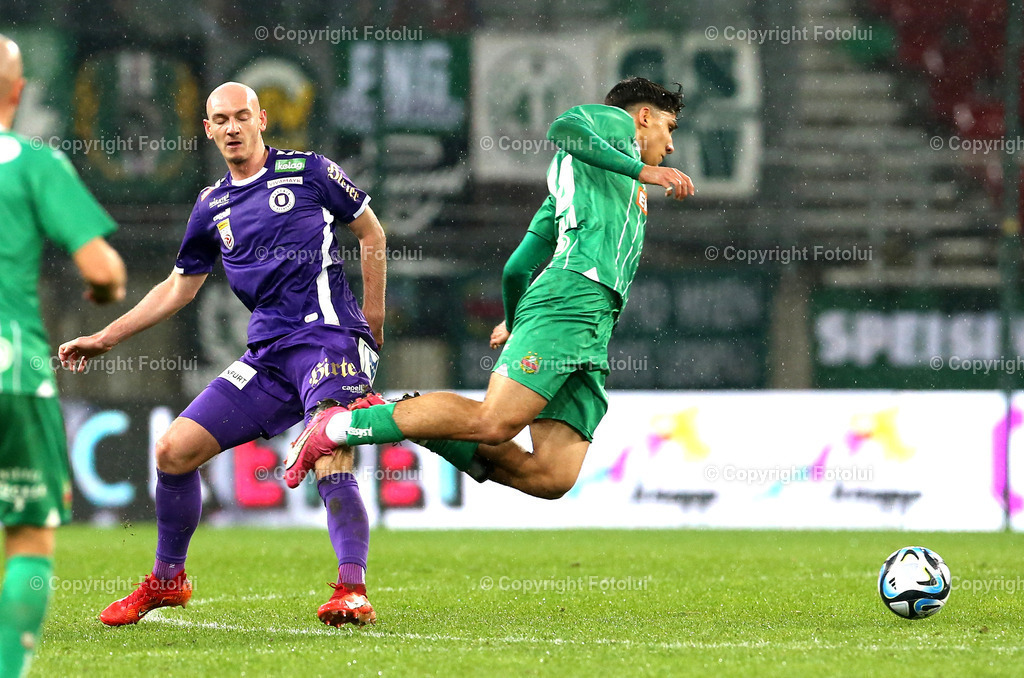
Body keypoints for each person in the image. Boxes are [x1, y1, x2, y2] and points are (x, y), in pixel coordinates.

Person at [58, 82, 387, 628]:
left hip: (329, 339)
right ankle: (168, 580)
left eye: (241, 117)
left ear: (261, 119)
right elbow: (179, 286)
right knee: (173, 450)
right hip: (266, 356)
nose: (232, 128)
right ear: (208, 130)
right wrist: (106, 337)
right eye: (220, 120)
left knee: (329, 453)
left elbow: (371, 233)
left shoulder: (310, 172)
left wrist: (371, 327)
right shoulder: (212, 204)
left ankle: (352, 590)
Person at [286, 77, 693, 500]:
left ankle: (422, 426)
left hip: (589, 319)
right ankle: (339, 425)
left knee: (552, 476)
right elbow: (563, 129)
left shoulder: (577, 182)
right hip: (574, 297)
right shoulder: (616, 124)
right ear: (645, 116)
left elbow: (517, 268)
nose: (671, 145)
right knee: (495, 422)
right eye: (670, 127)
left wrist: (515, 323)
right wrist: (645, 170)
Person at [0, 34, 127, 676]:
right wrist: (101, 289)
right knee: (26, 533)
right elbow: (105, 271)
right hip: (12, 367)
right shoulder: (34, 163)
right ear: (18, 94)